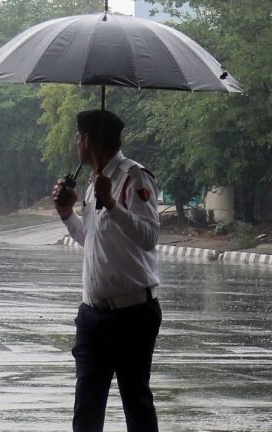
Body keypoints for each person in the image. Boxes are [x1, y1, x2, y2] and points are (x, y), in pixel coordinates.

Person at [52, 109, 161, 432]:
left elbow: (149, 236)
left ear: (88, 140)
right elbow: (92, 240)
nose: (77, 143)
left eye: (78, 138)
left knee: (136, 405)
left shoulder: (134, 178)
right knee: (86, 410)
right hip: (92, 316)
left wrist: (112, 203)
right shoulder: (93, 184)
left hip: (132, 316)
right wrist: (67, 214)